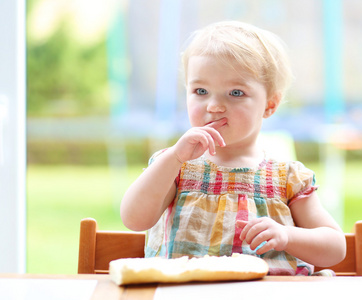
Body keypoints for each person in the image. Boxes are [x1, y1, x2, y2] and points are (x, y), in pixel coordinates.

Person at [120, 21, 346, 276]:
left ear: (270, 104)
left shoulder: (288, 179)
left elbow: (335, 248)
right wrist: (173, 157)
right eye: (201, 91)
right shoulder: (175, 166)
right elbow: (134, 220)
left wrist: (287, 235)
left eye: (235, 93)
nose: (214, 106)